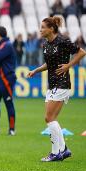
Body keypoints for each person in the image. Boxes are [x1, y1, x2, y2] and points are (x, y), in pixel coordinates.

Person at [28, 16, 86, 162]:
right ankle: (64, 150)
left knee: (49, 118)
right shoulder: (46, 44)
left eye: (42, 27)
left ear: (51, 29)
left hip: (62, 83)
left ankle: (55, 153)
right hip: (52, 83)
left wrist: (68, 65)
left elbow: (82, 52)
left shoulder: (62, 41)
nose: (40, 30)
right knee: (51, 118)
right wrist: (35, 70)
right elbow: (49, 64)